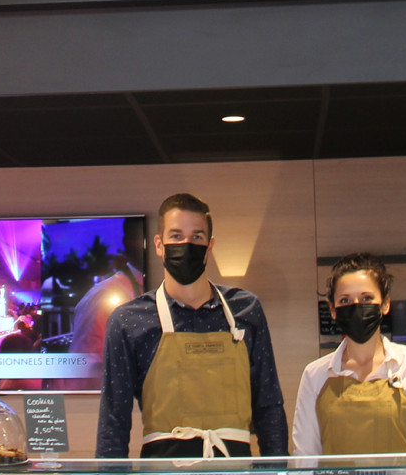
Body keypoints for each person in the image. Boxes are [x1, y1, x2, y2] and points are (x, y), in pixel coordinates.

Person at [96, 192, 289, 460]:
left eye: (196, 237)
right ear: (159, 244)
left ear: (209, 247)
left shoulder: (246, 309)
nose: (186, 244)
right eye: (176, 236)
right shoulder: (128, 320)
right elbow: (113, 420)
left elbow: (269, 406)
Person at [292, 252, 406, 455]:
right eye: (345, 300)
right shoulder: (315, 375)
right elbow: (306, 456)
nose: (357, 307)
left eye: (366, 298)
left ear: (385, 304)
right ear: (333, 310)